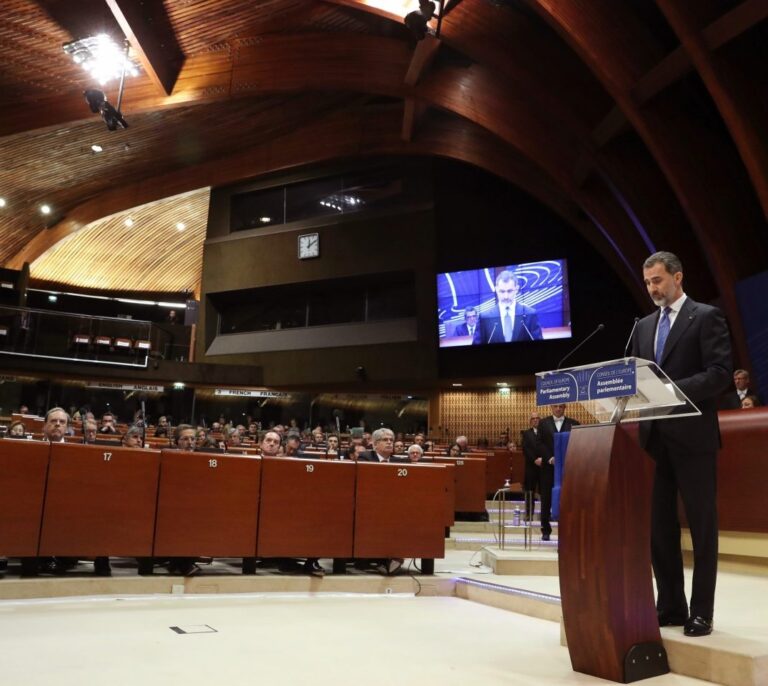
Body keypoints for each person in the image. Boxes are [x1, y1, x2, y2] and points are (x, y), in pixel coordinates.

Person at [631, 251, 732, 637]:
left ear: (678, 276)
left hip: (694, 438)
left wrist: (671, 390)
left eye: (658, 280)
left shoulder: (705, 317)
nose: (653, 288)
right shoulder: (642, 326)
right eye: (648, 283)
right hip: (653, 440)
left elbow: (720, 373)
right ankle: (670, 606)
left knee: (703, 527)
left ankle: (701, 611)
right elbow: (638, 376)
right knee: (659, 529)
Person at [537, 403, 579, 541]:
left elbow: (577, 443)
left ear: (565, 407)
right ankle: (545, 530)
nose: (558, 409)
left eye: (561, 406)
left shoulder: (574, 423)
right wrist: (550, 458)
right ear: (551, 407)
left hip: (567, 469)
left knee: (566, 499)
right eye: (555, 406)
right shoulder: (543, 423)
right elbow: (540, 444)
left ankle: (566, 530)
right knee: (546, 499)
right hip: (548, 469)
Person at [478, 270, 543, 344]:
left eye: (509, 291)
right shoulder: (484, 318)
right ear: (496, 289)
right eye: (502, 291)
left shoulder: (530, 314)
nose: (506, 296)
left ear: (516, 289)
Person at [521, 411, 546, 522]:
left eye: (537, 418)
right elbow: (525, 449)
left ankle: (544, 515)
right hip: (531, 467)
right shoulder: (526, 434)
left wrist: (543, 459)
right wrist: (535, 460)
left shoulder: (545, 433)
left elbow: (548, 447)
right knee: (529, 492)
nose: (535, 420)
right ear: (530, 421)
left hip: (544, 467)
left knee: (544, 492)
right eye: (533, 418)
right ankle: (528, 514)